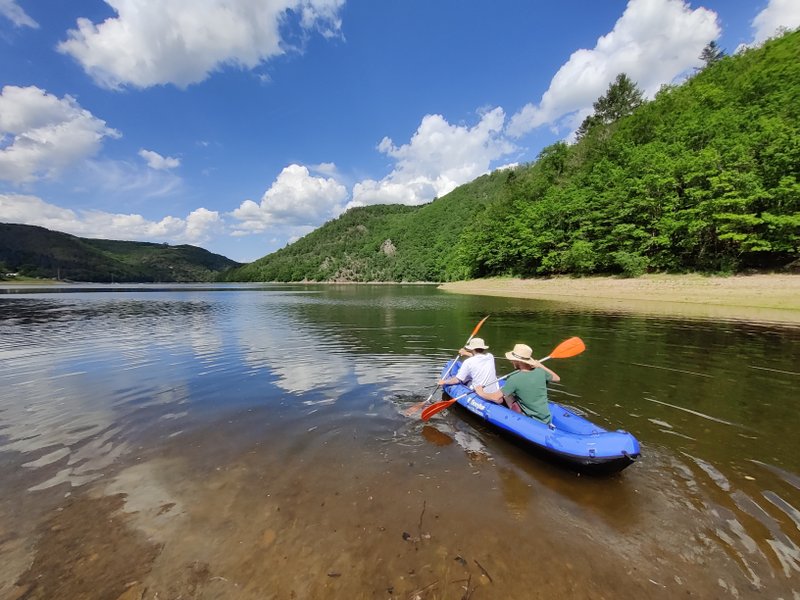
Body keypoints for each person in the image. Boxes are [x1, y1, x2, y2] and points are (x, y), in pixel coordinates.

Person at [474, 343, 560, 425]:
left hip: (531, 420)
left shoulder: (514, 379)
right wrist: (541, 365)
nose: (511, 362)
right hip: (546, 418)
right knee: (510, 393)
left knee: (506, 395)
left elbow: (495, 397)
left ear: (518, 361)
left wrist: (480, 392)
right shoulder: (541, 371)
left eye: (513, 360)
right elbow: (557, 378)